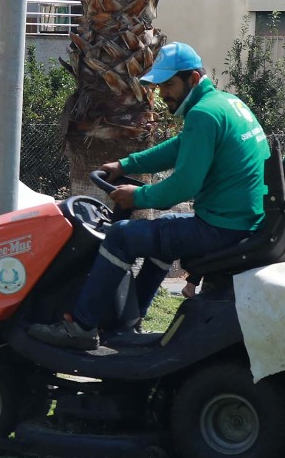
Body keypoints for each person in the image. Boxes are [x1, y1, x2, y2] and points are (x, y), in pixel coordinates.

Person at [30, 42, 270, 350]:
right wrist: (126, 164)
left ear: (193, 79)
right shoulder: (226, 104)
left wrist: (138, 197)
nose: (162, 94)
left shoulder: (204, 115)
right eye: (159, 86)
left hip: (221, 229)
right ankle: (128, 326)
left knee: (120, 236)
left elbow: (183, 186)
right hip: (240, 223)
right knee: (162, 235)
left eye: (169, 85)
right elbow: (178, 148)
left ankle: (80, 326)